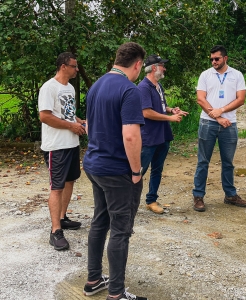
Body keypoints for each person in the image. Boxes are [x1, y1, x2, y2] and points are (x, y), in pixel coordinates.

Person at [82, 42, 147, 300]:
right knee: (121, 229)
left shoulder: (96, 86)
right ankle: (117, 294)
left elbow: (88, 125)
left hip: (94, 164)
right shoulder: (129, 90)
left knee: (100, 221)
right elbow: (131, 137)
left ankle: (94, 279)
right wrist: (136, 171)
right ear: (138, 64)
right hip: (116, 170)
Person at [192, 45, 246, 212]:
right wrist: (217, 117)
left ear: (225, 58)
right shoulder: (205, 75)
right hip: (208, 123)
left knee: (228, 162)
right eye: (211, 59)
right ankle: (198, 196)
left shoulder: (237, 75)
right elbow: (201, 99)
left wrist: (222, 111)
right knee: (203, 161)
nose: (213, 62)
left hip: (229, 124)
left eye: (216, 59)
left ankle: (230, 195)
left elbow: (241, 99)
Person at [38, 52, 86, 251]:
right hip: (56, 147)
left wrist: (79, 121)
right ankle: (55, 231)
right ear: (63, 66)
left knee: (69, 181)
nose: (77, 70)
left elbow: (67, 112)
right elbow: (45, 116)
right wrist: (70, 126)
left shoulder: (68, 87)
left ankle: (62, 217)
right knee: (56, 187)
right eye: (74, 66)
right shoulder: (49, 88)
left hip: (71, 144)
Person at [137, 54, 188, 214]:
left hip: (163, 135)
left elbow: (160, 106)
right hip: (149, 136)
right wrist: (170, 118)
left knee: (157, 169)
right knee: (139, 170)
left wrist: (172, 110)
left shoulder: (158, 86)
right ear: (154, 68)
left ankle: (151, 200)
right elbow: (146, 112)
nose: (164, 68)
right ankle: (126, 202)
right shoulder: (143, 87)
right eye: (162, 65)